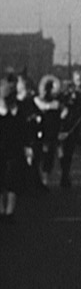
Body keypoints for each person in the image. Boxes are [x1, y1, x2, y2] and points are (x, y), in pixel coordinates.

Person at [0, 75, 33, 223]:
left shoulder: (19, 110)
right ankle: (3, 209)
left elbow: (25, 131)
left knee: (13, 180)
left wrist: (27, 148)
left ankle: (8, 211)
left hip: (15, 149)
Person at [32, 75, 64, 189]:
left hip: (50, 135)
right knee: (38, 157)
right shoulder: (35, 101)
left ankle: (44, 179)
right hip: (37, 135)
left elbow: (62, 116)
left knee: (48, 158)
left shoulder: (57, 104)